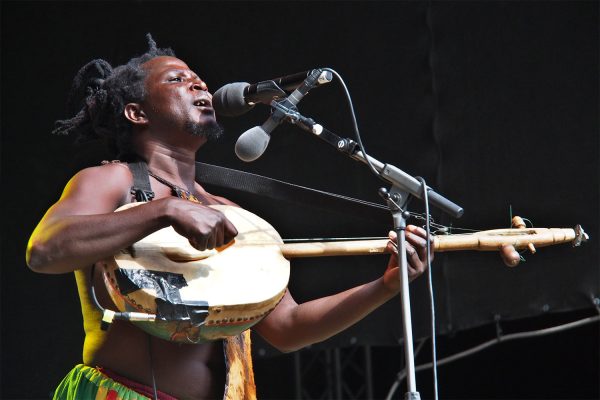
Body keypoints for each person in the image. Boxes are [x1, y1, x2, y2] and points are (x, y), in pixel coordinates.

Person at [27, 35, 521, 400]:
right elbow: (45, 250)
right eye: (177, 80)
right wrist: (165, 209)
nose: (199, 84)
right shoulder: (112, 182)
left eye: (198, 77)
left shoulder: (234, 215)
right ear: (137, 114)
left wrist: (387, 286)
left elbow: (285, 327)